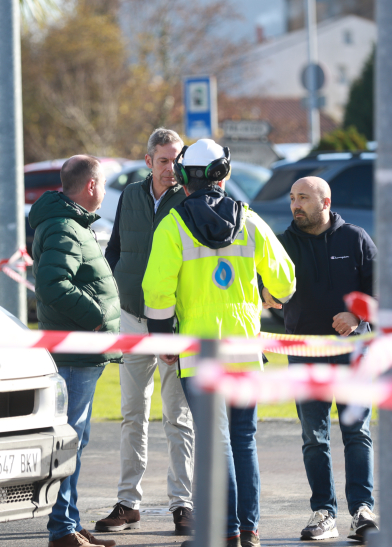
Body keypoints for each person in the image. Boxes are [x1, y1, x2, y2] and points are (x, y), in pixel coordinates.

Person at [142, 139, 297, 547]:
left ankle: (226, 532)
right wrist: (268, 292)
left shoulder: (172, 225)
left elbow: (156, 292)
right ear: (223, 175)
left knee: (219, 441)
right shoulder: (250, 220)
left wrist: (163, 340)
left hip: (199, 355)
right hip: (245, 350)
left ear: (184, 178)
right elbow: (286, 280)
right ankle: (249, 530)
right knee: (243, 440)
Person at [261, 176, 378, 543]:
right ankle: (324, 513)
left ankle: (362, 511)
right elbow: (267, 291)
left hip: (352, 352)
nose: (296, 205)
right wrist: (265, 292)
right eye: (293, 198)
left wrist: (358, 317)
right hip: (304, 353)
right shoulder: (282, 243)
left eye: (304, 198)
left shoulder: (355, 238)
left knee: (356, 432)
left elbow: (383, 291)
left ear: (325, 202)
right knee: (314, 436)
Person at [96, 129, 195, 535]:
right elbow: (115, 249)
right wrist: (116, 294)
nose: (171, 169)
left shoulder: (190, 199)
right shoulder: (131, 196)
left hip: (174, 324)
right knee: (132, 413)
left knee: (178, 416)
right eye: (164, 161)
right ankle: (128, 502)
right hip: (133, 320)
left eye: (177, 160)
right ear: (149, 160)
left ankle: (183, 505)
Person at [30, 155, 121, 547]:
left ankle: (69, 522)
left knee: (75, 441)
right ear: (90, 186)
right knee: (70, 441)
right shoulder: (65, 227)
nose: (103, 191)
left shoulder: (71, 223)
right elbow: (53, 284)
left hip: (81, 352)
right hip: (74, 353)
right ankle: (62, 529)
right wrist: (97, 316)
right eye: (101, 184)